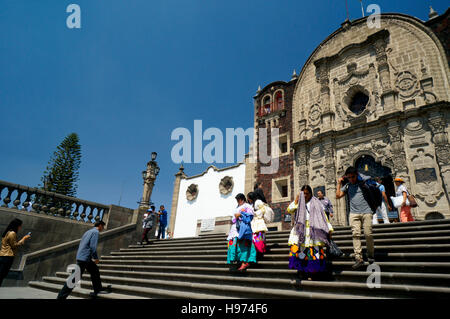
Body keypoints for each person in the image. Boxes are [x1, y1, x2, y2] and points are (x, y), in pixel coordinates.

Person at [288, 185, 333, 280]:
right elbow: (289, 210)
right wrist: (296, 200)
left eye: (307, 193)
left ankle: (312, 272)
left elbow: (323, 216)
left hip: (314, 229)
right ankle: (302, 271)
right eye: (303, 193)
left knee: (313, 251)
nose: (305, 195)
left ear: (310, 193)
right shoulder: (299, 202)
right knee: (301, 250)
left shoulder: (316, 202)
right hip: (301, 229)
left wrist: (329, 229)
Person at [57, 221, 111, 299]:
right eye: (103, 227)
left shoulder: (88, 231)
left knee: (95, 271)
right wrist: (95, 258)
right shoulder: (95, 232)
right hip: (85, 258)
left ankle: (98, 289)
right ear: (100, 225)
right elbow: (93, 247)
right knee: (74, 278)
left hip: (83, 257)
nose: (103, 229)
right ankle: (61, 297)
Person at [336, 166, 375, 269]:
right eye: (349, 177)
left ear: (356, 175)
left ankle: (371, 255)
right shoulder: (348, 186)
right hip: (353, 213)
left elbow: (371, 179)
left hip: (366, 212)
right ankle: (359, 258)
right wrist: (339, 183)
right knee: (355, 234)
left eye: (353, 177)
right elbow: (338, 196)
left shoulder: (363, 183)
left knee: (368, 234)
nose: (351, 179)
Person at [227, 193, 257, 271]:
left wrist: (241, 215)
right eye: (237, 200)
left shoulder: (247, 206)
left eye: (239, 200)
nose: (238, 201)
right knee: (235, 244)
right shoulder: (237, 207)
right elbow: (233, 219)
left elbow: (249, 217)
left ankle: (245, 262)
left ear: (243, 199)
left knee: (244, 245)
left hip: (243, 229)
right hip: (235, 229)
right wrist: (236, 217)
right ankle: (238, 261)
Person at [0, 218, 31, 286]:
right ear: (17, 225)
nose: (20, 227)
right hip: (7, 257)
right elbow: (14, 245)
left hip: (2, 255)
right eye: (20, 225)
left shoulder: (7, 232)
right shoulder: (12, 233)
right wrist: (24, 238)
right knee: (2, 275)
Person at [247, 192, 268, 258]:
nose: (248, 200)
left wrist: (255, 213)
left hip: (259, 221)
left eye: (249, 198)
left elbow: (263, 209)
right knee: (255, 238)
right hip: (254, 222)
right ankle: (257, 251)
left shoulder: (258, 202)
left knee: (259, 237)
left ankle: (261, 251)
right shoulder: (251, 204)